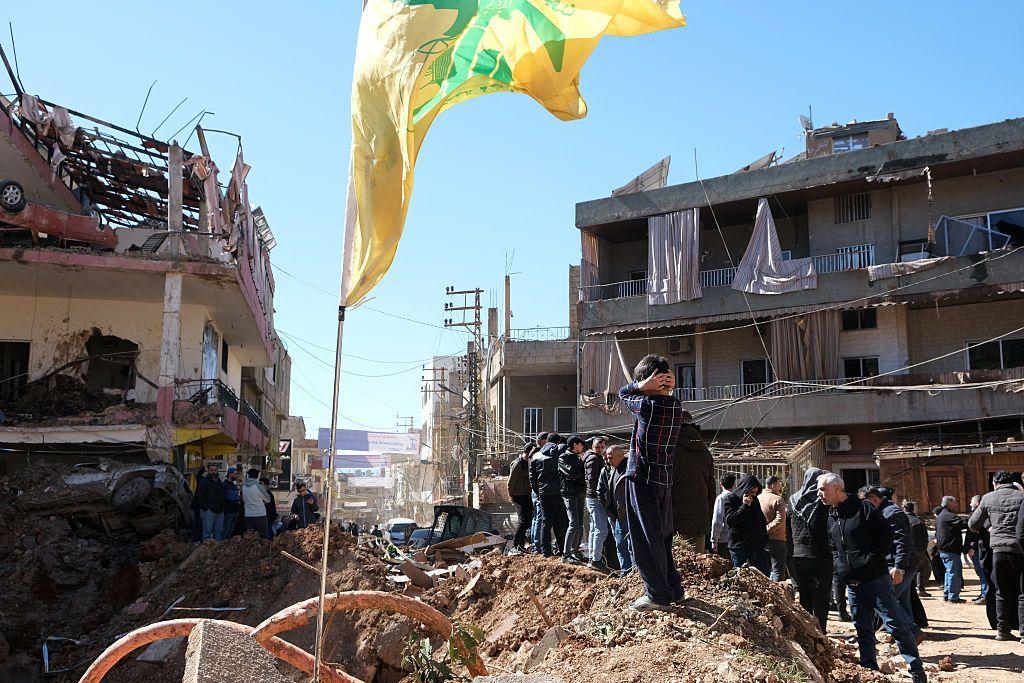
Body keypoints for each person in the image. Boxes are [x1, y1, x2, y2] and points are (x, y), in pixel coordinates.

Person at [817, 473, 926, 683]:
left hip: (875, 580)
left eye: (822, 489)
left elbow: (886, 536)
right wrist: (840, 566)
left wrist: (869, 560)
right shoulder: (831, 514)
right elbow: (834, 546)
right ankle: (870, 671)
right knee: (863, 628)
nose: (818, 494)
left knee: (895, 624)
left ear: (837, 488)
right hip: (853, 584)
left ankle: (917, 672)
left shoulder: (863, 508)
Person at [619, 355, 684, 612]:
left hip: (642, 479)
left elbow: (623, 393)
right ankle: (673, 589)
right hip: (664, 481)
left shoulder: (647, 406)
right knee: (662, 537)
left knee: (645, 540)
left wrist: (640, 385)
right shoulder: (675, 406)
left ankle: (657, 595)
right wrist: (665, 387)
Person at [864, 487, 923, 644]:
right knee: (902, 601)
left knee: (884, 600)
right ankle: (907, 635)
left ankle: (913, 632)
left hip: (902, 565)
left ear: (874, 500)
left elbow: (902, 542)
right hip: (900, 563)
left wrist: (899, 567)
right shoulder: (883, 511)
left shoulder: (891, 513)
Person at [971, 471, 1024, 641]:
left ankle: (1002, 631)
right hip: (1020, 550)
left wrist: (989, 526)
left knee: (1001, 592)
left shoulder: (988, 498)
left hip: (998, 551)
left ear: (995, 483)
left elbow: (973, 524)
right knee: (1022, 593)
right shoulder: (1022, 497)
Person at [789, 468, 832, 632]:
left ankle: (807, 631)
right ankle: (821, 630)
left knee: (805, 595)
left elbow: (788, 527)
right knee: (822, 595)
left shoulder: (793, 500)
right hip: (821, 554)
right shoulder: (823, 501)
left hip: (798, 554)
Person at [671, 413, 716, 553]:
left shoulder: (671, 450)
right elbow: (711, 490)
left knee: (678, 562)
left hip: (675, 521)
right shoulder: (705, 452)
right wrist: (707, 518)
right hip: (699, 522)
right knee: (697, 562)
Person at [529, 432, 568, 557]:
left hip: (543, 493)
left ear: (546, 441)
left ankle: (546, 550)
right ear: (558, 441)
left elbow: (532, 477)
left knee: (546, 523)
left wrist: (538, 491)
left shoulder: (536, 456)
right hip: (558, 493)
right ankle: (561, 549)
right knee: (560, 522)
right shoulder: (560, 452)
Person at [724, 474, 771, 575]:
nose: (753, 495)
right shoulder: (731, 499)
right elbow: (730, 520)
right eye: (751, 492)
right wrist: (744, 506)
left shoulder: (755, 500)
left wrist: (764, 538)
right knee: (739, 575)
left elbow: (760, 520)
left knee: (763, 574)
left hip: (756, 546)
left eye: (755, 493)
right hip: (739, 546)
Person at [599, 443, 632, 573]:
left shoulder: (629, 470)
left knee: (632, 547)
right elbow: (602, 491)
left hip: (629, 516)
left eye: (610, 457)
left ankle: (635, 574)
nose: (608, 461)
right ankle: (625, 573)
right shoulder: (611, 470)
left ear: (620, 456)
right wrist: (609, 510)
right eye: (607, 458)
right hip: (617, 517)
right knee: (621, 546)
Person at [559, 435, 587, 564]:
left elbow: (578, 474)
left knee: (579, 523)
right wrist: (581, 473)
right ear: (575, 445)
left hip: (579, 492)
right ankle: (566, 554)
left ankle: (575, 551)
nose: (583, 446)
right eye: (581, 444)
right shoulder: (563, 457)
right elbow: (571, 473)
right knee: (574, 523)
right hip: (569, 493)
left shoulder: (578, 457)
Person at [583, 436, 610, 570]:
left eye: (602, 447)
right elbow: (593, 481)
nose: (600, 449)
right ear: (592, 447)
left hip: (592, 497)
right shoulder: (594, 459)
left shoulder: (592, 457)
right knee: (601, 530)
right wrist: (601, 497)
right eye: (597, 447)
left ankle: (593, 557)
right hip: (595, 498)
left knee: (594, 529)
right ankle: (596, 560)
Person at [935, 495, 967, 603]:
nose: (956, 504)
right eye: (955, 502)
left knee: (948, 573)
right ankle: (953, 597)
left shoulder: (940, 515)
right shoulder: (948, 516)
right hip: (950, 550)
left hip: (944, 550)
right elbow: (963, 523)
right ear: (949, 503)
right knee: (954, 573)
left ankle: (947, 595)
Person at [508, 443, 536, 552]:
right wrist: (511, 495)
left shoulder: (528, 463)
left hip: (527, 494)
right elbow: (511, 482)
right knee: (523, 520)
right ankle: (515, 545)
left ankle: (521, 545)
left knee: (527, 520)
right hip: (518, 495)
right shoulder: (518, 463)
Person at [759, 475, 788, 581]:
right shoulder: (778, 500)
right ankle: (777, 590)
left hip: (760, 538)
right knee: (777, 570)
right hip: (777, 538)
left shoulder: (758, 498)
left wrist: (761, 531)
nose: (780, 488)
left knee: (764, 570)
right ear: (772, 485)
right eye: (779, 485)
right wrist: (767, 529)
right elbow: (780, 520)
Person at [964, 495, 990, 604]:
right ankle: (983, 593)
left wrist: (972, 547)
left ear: (978, 503)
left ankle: (985, 595)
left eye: (972, 502)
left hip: (978, 548)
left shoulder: (980, 516)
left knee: (982, 572)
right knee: (980, 573)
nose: (970, 504)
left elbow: (976, 534)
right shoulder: (976, 515)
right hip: (976, 548)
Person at [195, 463, 226, 541]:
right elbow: (200, 495)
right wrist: (205, 507)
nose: (213, 472)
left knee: (219, 533)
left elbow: (222, 495)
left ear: (217, 471)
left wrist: (223, 506)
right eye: (211, 470)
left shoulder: (220, 482)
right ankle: (206, 548)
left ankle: (216, 548)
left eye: (215, 470)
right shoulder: (204, 481)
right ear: (208, 471)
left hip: (220, 511)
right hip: (209, 511)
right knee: (207, 533)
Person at [240, 468, 273, 539]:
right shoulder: (259, 486)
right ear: (257, 476)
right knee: (263, 536)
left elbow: (243, 499)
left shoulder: (243, 487)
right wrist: (261, 503)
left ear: (248, 476)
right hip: (260, 515)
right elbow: (268, 499)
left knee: (249, 537)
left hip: (248, 515)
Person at [530, 432, 549, 553]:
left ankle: (535, 543)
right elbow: (533, 476)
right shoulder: (538, 454)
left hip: (536, 490)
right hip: (538, 491)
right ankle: (537, 545)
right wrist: (538, 490)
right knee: (539, 518)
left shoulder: (534, 454)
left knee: (536, 518)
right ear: (542, 440)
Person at [711, 474, 736, 560]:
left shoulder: (721, 498)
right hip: (735, 538)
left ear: (720, 484)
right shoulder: (737, 498)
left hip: (723, 539)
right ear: (734, 484)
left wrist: (714, 540)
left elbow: (717, 521)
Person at [221, 467, 242, 540]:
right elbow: (222, 499)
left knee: (230, 530)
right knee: (225, 530)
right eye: (235, 474)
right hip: (228, 512)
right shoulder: (224, 485)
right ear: (230, 474)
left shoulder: (234, 486)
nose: (236, 476)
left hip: (235, 511)